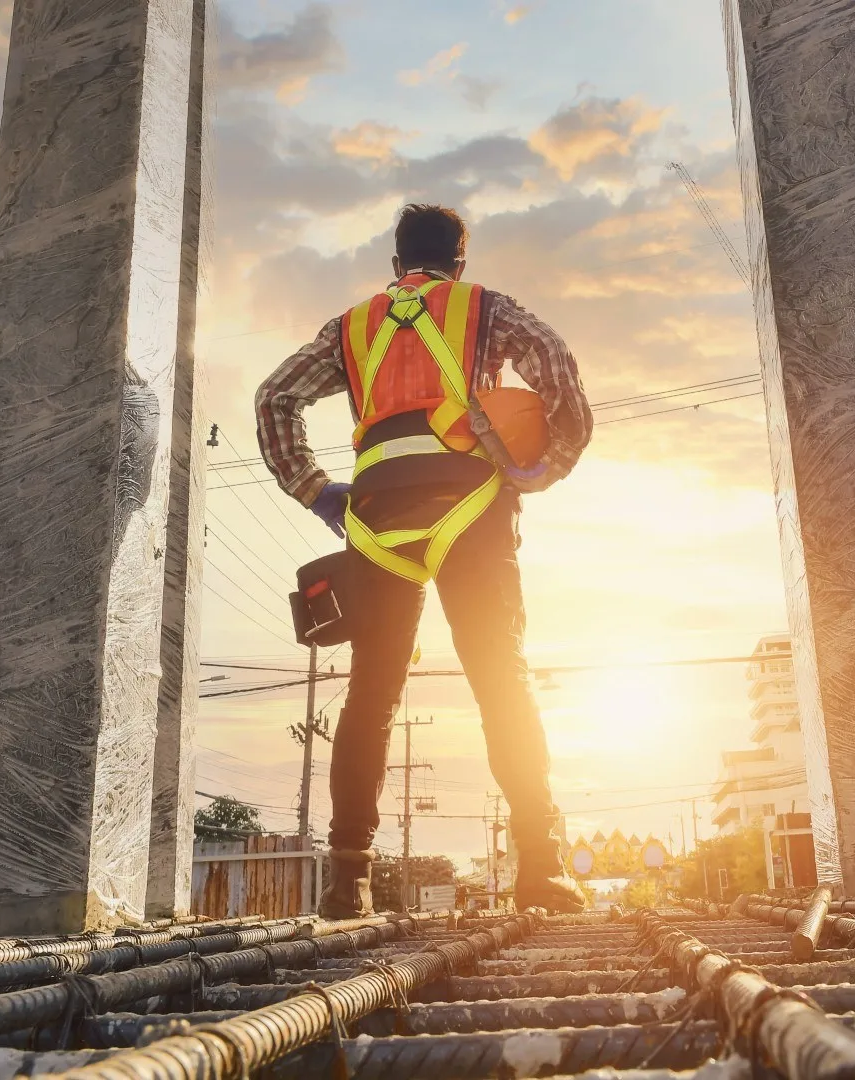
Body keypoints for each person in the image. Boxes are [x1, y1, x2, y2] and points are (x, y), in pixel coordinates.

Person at [255, 204, 594, 916]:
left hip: (378, 521)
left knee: (372, 697)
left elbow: (275, 396)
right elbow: (559, 376)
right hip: (471, 510)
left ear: (396, 266)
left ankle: (347, 881)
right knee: (502, 681)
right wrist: (541, 470)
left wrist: (316, 491)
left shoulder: (352, 326)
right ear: (459, 263)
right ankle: (541, 869)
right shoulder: (485, 309)